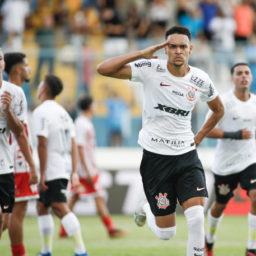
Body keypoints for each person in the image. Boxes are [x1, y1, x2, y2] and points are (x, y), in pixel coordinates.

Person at [97, 25, 224, 256]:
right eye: (172, 46)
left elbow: (218, 110)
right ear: (165, 49)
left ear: (190, 49)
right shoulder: (150, 68)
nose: (178, 51)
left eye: (182, 47)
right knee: (167, 234)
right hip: (156, 159)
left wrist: (200, 136)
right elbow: (103, 69)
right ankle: (147, 207)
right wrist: (140, 54)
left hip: (186, 156)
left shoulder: (200, 79)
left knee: (196, 217)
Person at [33, 75, 88, 256]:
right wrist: (73, 171)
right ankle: (46, 250)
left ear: (43, 89)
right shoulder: (63, 112)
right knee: (42, 206)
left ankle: (81, 251)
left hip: (52, 167)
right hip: (63, 166)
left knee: (59, 206)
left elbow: (42, 143)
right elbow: (72, 142)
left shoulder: (41, 111)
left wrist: (41, 174)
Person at [205, 63, 256, 256]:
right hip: (226, 164)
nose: (243, 76)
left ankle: (252, 247)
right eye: (239, 73)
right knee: (220, 205)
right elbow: (206, 130)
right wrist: (234, 134)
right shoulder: (223, 103)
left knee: (255, 196)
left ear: (251, 78)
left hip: (250, 160)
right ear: (232, 78)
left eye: (246, 73)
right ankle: (208, 241)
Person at [59, 95, 128, 238]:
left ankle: (64, 230)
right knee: (98, 197)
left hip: (86, 169)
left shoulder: (85, 123)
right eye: (94, 104)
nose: (96, 106)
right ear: (89, 106)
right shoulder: (81, 123)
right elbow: (79, 148)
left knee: (75, 197)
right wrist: (87, 170)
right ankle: (111, 229)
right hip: (85, 171)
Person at [3, 52, 38, 256]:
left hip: (10, 157)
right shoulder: (14, 93)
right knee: (16, 212)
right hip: (16, 158)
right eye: (26, 64)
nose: (29, 68)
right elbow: (20, 132)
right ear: (18, 69)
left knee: (6, 217)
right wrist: (31, 163)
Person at [0, 49, 28, 239]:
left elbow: (19, 131)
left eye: (0, 58)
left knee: (3, 220)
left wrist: (7, 111)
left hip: (4, 167)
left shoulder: (15, 93)